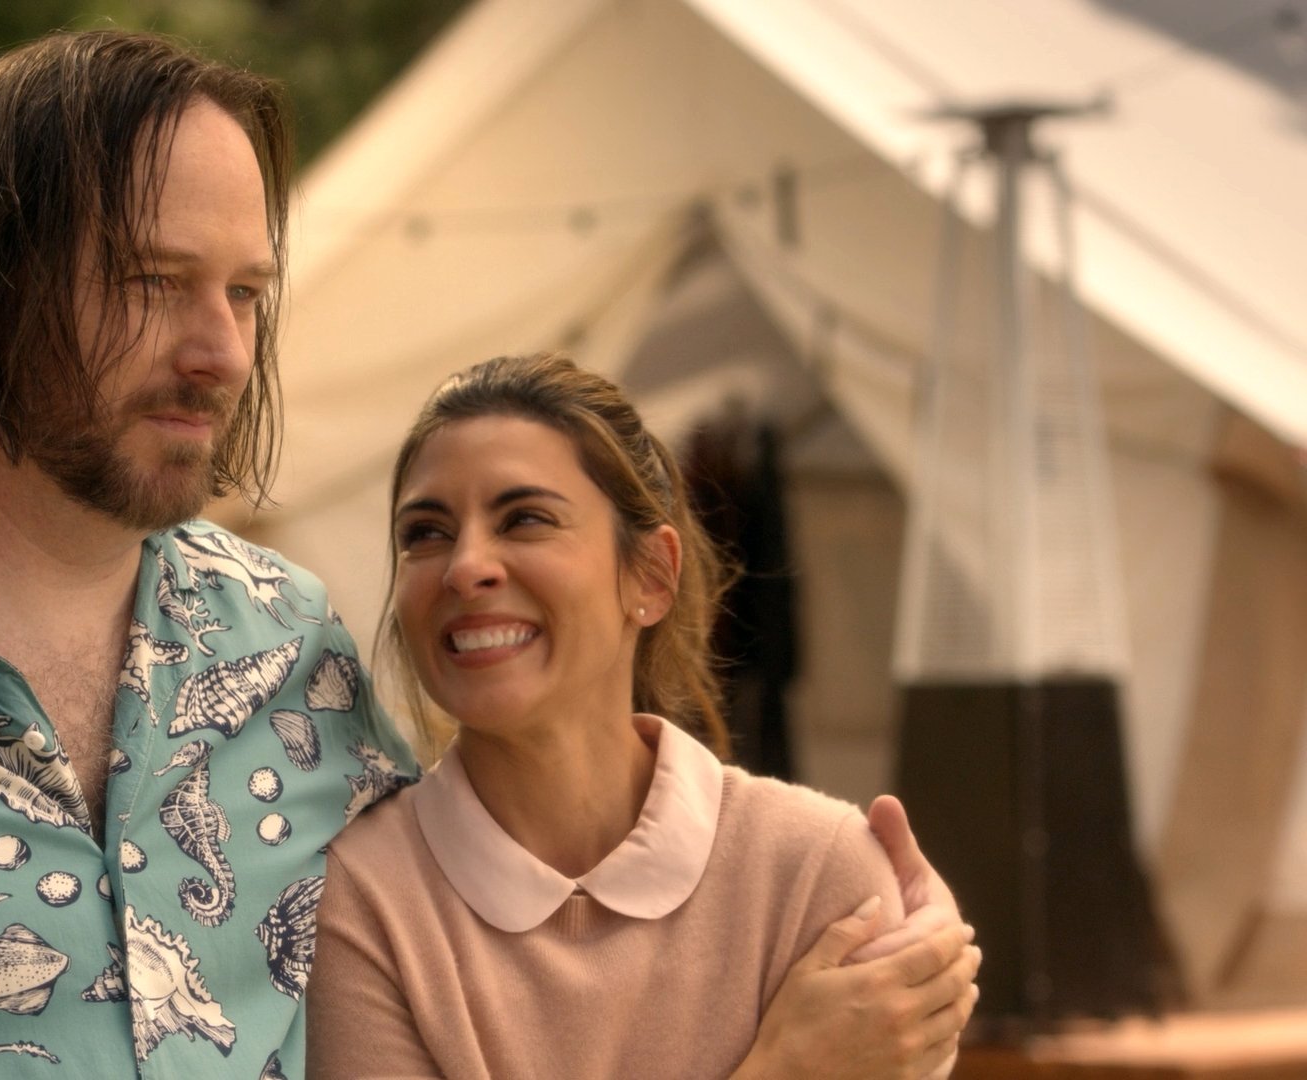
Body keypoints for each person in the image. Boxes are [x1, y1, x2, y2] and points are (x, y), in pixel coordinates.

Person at [0, 31, 962, 1080]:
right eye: (154, 283)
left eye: (246, 293)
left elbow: (513, 940)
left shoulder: (289, 650)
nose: (219, 351)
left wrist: (828, 931)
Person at [307, 353, 981, 1080]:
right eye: (425, 533)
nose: (465, 565)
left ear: (652, 576)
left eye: (525, 519)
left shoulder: (819, 869)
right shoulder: (361, 898)